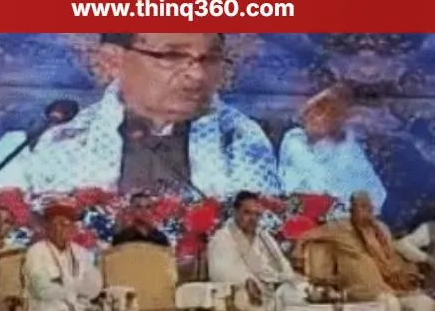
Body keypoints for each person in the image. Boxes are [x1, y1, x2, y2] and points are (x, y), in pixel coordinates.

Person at [23, 33, 278, 197]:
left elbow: (260, 237)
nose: (197, 75)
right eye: (172, 56)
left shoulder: (240, 138)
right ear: (112, 61)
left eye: (210, 58)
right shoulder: (64, 142)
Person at [295, 191, 434, 311]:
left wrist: (404, 276)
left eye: (369, 208)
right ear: (351, 209)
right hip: (358, 291)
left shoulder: (378, 232)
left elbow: (391, 261)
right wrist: (298, 251)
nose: (366, 212)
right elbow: (305, 236)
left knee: (424, 302)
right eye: (361, 207)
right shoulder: (339, 227)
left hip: (386, 288)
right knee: (390, 301)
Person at [278, 83, 385, 211]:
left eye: (330, 111)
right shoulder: (294, 141)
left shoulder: (349, 150)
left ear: (339, 118)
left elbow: (375, 197)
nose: (315, 116)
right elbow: (306, 189)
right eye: (315, 109)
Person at [207, 191, 308, 311]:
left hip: (273, 292)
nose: (253, 218)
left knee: (298, 295)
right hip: (246, 294)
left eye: (256, 214)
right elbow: (221, 271)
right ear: (235, 212)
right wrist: (246, 281)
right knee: (245, 300)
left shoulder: (263, 236)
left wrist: (289, 278)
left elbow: (281, 262)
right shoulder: (222, 238)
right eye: (247, 213)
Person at [24, 201, 104, 311]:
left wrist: (68, 287)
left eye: (63, 224)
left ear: (72, 228)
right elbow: (42, 289)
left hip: (80, 310)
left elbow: (95, 286)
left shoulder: (81, 252)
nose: (57, 229)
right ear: (46, 227)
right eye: (53, 224)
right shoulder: (35, 251)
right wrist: (75, 289)